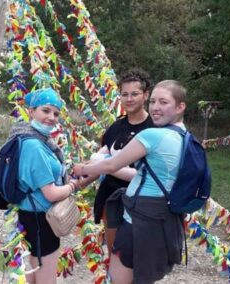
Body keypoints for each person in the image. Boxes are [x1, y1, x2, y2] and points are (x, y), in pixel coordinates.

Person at [73, 80, 187, 284]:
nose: (156, 107)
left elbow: (110, 166)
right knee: (142, 274)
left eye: (163, 102)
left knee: (121, 274)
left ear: (180, 107)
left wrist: (82, 169)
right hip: (158, 214)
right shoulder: (184, 136)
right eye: (154, 102)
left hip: (139, 215)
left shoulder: (153, 133)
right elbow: (106, 154)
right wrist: (81, 181)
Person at [11, 88, 80, 284]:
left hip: (30, 215)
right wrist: (73, 186)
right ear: (31, 111)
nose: (51, 117)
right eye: (46, 110)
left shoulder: (31, 139)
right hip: (42, 220)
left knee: (32, 273)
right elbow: (50, 193)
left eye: (56, 113)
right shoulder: (35, 146)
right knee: (45, 278)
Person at [88, 69, 154, 256]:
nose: (129, 99)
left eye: (135, 94)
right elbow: (101, 156)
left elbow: (148, 174)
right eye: (124, 94)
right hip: (111, 198)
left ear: (146, 95)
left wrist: (106, 166)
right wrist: (77, 181)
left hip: (142, 202)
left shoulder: (155, 129)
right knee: (115, 253)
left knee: (138, 257)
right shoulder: (117, 126)